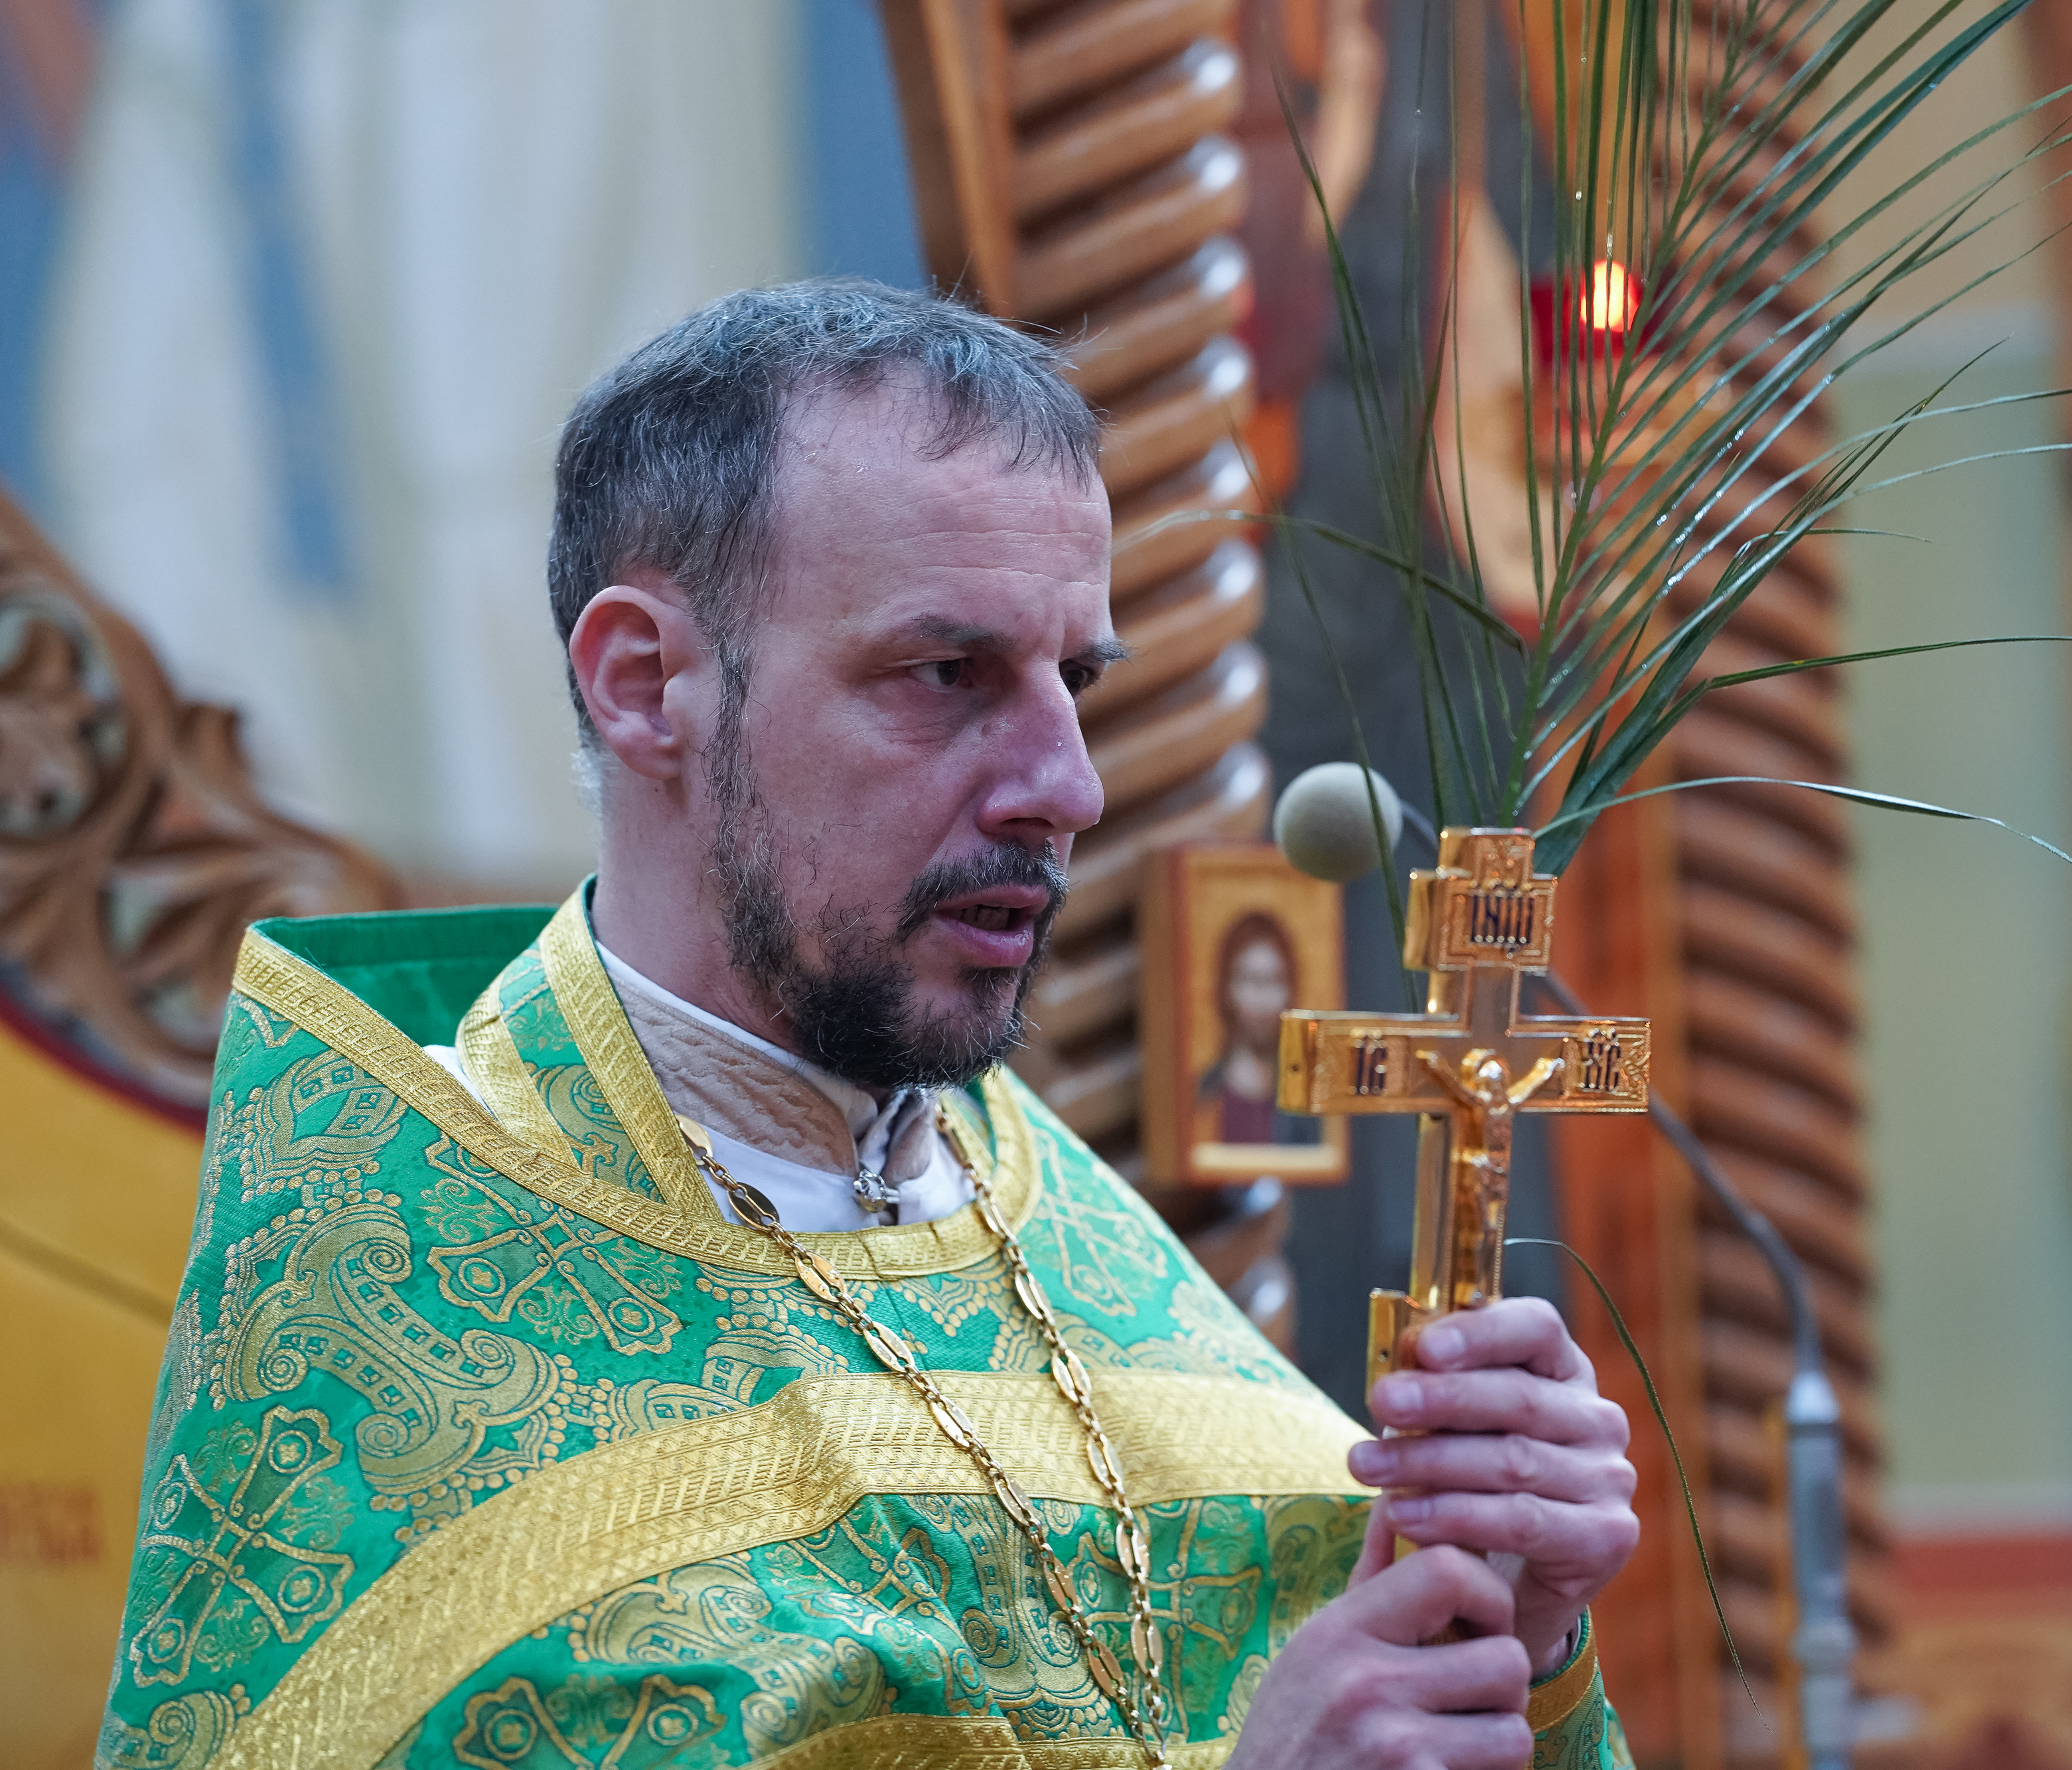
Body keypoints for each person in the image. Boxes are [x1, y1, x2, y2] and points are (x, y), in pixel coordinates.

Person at [99, 281, 1638, 1770]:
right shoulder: (381, 1300)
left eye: (1073, 679)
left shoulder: (1075, 1246)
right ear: (647, 687)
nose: (1066, 784)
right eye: (945, 673)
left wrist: (1512, 1646)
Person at [1192, 911, 1323, 1149]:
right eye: (1250, 981)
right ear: (1227, 989)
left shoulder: (1309, 1105)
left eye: (1274, 981)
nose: (1263, 1000)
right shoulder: (1204, 1097)